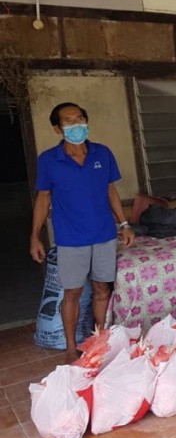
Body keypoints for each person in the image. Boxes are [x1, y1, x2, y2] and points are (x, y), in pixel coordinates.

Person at [29, 102, 134, 363]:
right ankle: (70, 347)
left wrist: (124, 224)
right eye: (69, 121)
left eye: (80, 118)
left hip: (104, 234)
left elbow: (110, 190)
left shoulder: (102, 153)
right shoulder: (49, 160)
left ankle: (100, 340)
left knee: (102, 288)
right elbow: (43, 198)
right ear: (58, 128)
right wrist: (35, 236)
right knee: (72, 293)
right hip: (71, 238)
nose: (76, 125)